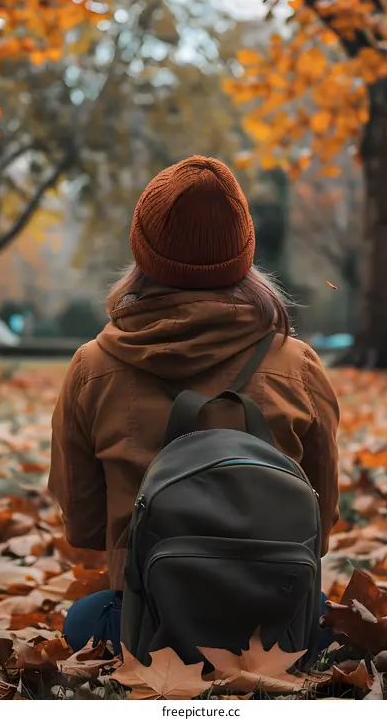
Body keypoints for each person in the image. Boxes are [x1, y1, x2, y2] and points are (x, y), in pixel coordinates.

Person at [48, 156, 340, 655]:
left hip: (146, 625)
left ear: (143, 250)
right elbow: (322, 519)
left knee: (81, 620)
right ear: (243, 252)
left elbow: (84, 526)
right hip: (277, 625)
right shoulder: (298, 365)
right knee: (336, 621)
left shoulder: (91, 367)